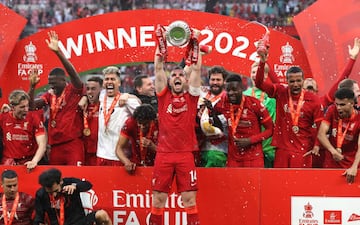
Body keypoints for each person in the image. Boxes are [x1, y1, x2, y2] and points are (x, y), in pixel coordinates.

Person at [148, 28, 202, 225]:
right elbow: (158, 67)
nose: (177, 77)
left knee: (189, 200)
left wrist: (196, 42)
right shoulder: (163, 97)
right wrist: (160, 42)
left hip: (185, 155)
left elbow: (196, 68)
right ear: (170, 80)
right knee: (158, 200)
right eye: (174, 75)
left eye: (181, 75)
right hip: (163, 154)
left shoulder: (192, 97)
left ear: (185, 80)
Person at [255, 42, 324, 168]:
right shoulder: (281, 92)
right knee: (280, 185)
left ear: (303, 80)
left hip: (302, 151)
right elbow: (259, 83)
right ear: (287, 81)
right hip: (282, 150)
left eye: (298, 81)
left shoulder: (314, 100)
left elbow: (321, 127)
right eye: (292, 81)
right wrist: (262, 61)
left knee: (300, 186)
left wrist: (317, 145)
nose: (295, 84)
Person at [29, 30, 85, 166]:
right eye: (49, 81)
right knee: (57, 180)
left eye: (54, 81)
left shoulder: (74, 90)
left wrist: (57, 52)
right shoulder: (50, 95)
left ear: (63, 80)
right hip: (56, 146)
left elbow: (72, 72)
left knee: (75, 179)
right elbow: (31, 106)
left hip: (73, 143)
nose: (51, 84)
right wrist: (32, 87)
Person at [214, 74, 273, 167]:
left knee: (253, 182)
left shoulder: (254, 104)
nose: (230, 93)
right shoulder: (222, 104)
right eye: (228, 90)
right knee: (233, 182)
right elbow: (212, 115)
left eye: (234, 89)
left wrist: (250, 140)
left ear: (241, 88)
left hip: (254, 158)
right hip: (233, 159)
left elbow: (270, 130)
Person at [33, 168, 112, 225]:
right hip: (57, 223)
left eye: (56, 191)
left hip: (79, 222)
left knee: (102, 215)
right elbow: (39, 217)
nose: (54, 195)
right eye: (50, 193)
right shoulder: (41, 194)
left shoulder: (69, 183)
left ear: (61, 182)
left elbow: (88, 184)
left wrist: (75, 187)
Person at [96, 66, 140, 166]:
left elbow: (142, 111)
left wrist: (129, 95)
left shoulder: (127, 100)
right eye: (107, 79)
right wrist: (85, 98)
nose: (109, 81)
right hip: (101, 155)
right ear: (103, 83)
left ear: (119, 83)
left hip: (118, 157)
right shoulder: (102, 96)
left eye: (113, 79)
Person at [317, 88, 360, 183]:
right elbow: (321, 134)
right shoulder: (332, 110)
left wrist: (354, 167)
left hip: (350, 168)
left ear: (352, 103)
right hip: (331, 165)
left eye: (342, 105)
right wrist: (333, 151)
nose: (338, 108)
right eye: (337, 104)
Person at [0, 90, 47, 170]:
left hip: (28, 162)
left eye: (27, 106)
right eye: (22, 107)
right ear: (12, 107)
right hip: (8, 162)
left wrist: (34, 161)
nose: (26, 109)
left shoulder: (33, 118)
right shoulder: (3, 118)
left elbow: (42, 144)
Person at [243, 61, 276, 168]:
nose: (255, 75)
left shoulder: (273, 94)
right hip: (251, 146)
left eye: (257, 72)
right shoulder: (244, 94)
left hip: (269, 148)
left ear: (265, 75)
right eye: (252, 72)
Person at [198, 65, 228, 167]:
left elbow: (225, 125)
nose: (215, 82)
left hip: (218, 150)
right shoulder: (202, 94)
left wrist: (212, 113)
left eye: (218, 80)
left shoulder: (227, 98)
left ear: (224, 81)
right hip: (200, 148)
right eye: (212, 79)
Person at [115, 104, 158, 174]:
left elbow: (169, 154)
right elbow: (118, 148)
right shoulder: (130, 123)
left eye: (146, 124)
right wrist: (126, 162)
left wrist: (153, 147)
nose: (142, 127)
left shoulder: (160, 124)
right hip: (136, 167)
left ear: (152, 120)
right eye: (140, 123)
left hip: (157, 166)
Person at [82, 77, 103, 166]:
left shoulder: (106, 105)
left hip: (100, 151)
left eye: (93, 89)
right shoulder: (82, 106)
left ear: (101, 89)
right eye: (88, 89)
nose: (90, 92)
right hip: (84, 151)